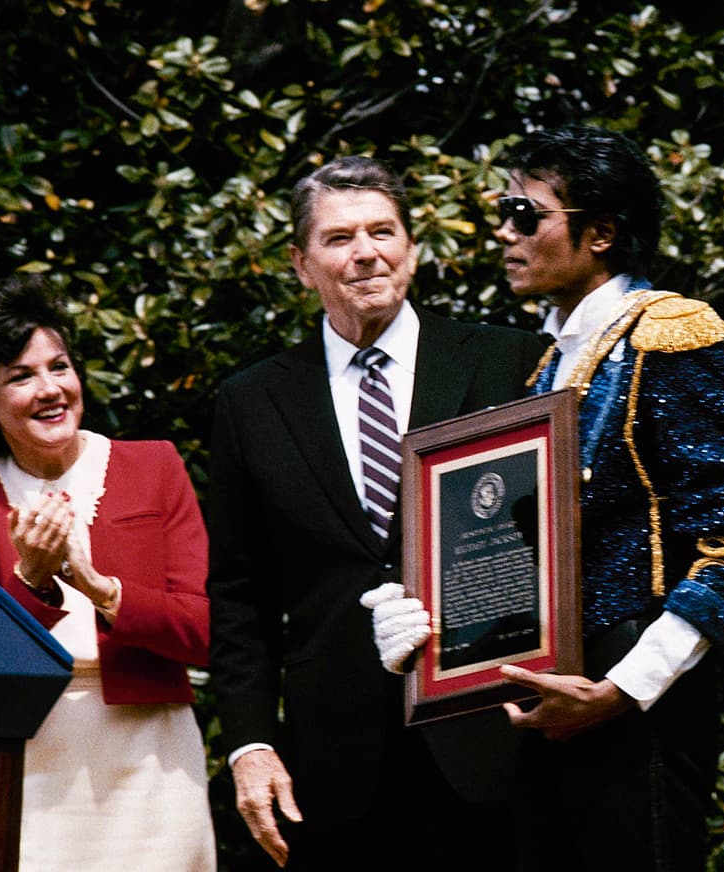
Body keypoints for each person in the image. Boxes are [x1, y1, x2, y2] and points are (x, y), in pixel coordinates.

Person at [364, 124, 724, 870]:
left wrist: (625, 687)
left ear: (601, 233)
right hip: (551, 695)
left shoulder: (672, 332)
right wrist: (430, 625)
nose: (503, 231)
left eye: (527, 215)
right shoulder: (551, 366)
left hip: (636, 692)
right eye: (505, 211)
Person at [207, 154, 546, 870]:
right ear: (302, 264)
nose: (365, 253)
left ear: (412, 249)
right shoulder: (251, 403)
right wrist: (248, 742)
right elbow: (239, 596)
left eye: (382, 231)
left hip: (496, 747)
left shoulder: (512, 363)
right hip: (331, 769)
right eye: (338, 238)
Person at [0, 274, 215, 871]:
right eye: (20, 376)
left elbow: (208, 632)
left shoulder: (153, 466)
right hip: (26, 765)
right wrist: (31, 584)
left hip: (152, 756)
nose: (50, 389)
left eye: (59, 367)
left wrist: (101, 589)